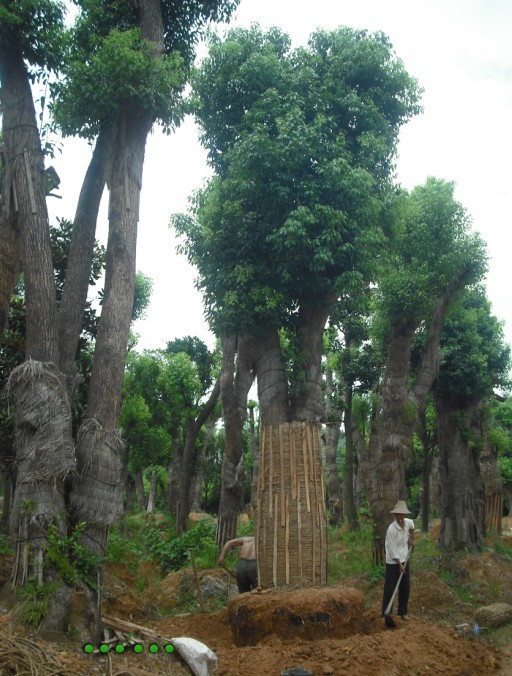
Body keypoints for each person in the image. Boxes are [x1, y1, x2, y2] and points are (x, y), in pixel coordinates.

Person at [382, 500, 415, 622]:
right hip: (393, 562)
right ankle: (386, 614)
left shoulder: (407, 523)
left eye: (403, 514)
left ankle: (402, 612)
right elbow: (392, 549)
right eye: (398, 514)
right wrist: (400, 565)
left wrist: (412, 539)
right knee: (390, 587)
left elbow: (412, 527)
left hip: (404, 559)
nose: (401, 517)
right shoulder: (391, 530)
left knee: (405, 586)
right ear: (395, 515)